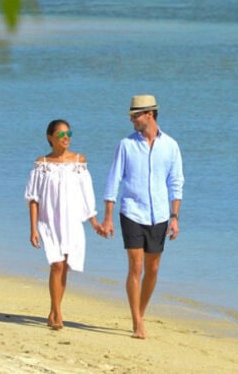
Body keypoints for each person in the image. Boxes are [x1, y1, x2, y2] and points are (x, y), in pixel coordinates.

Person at [101, 94, 184, 339]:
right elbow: (113, 180)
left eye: (135, 115)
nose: (132, 120)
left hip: (159, 215)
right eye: (132, 116)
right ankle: (137, 321)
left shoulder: (170, 145)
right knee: (136, 266)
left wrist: (175, 216)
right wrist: (107, 218)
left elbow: (176, 182)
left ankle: (141, 311)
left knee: (154, 268)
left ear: (149, 114)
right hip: (132, 212)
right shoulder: (126, 145)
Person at [25, 119, 105, 330]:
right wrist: (33, 229)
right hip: (48, 220)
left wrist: (94, 221)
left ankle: (54, 310)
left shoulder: (79, 162)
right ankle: (58, 312)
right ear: (50, 138)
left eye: (69, 133)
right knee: (56, 264)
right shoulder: (42, 164)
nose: (66, 137)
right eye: (61, 134)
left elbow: (87, 194)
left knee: (65, 266)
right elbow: (33, 198)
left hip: (72, 221)